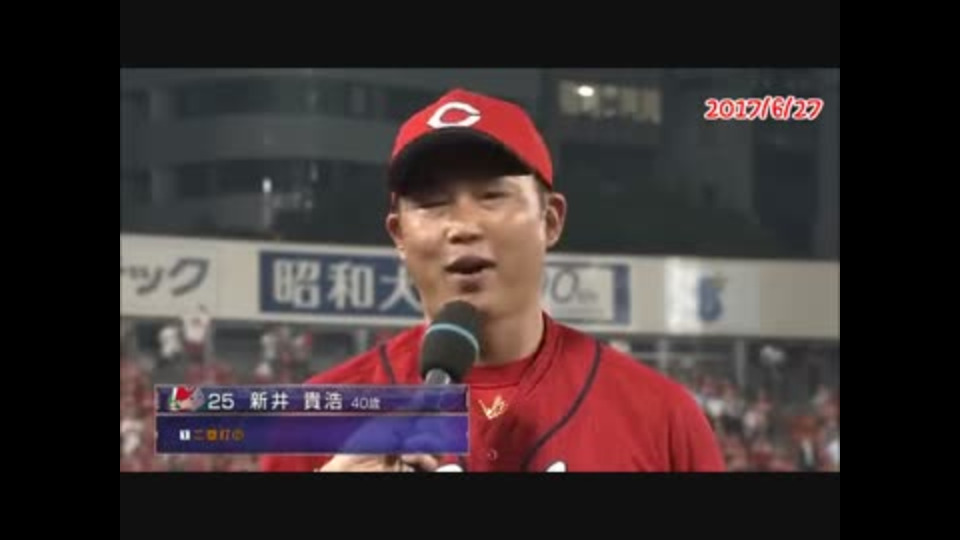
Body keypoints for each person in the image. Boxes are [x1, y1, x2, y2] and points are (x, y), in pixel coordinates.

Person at [260, 88, 724, 472]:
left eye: (491, 195)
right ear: (399, 235)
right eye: (432, 203)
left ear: (550, 220)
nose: (463, 226)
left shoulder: (661, 417)